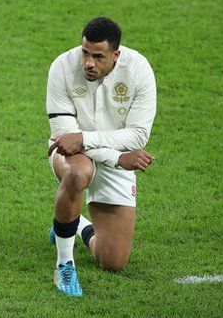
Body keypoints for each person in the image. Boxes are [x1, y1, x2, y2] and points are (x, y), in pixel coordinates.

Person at [45, 17, 156, 297]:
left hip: (106, 152)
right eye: (85, 52)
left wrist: (86, 140)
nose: (88, 63)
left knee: (113, 262)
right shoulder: (62, 67)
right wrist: (118, 159)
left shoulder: (139, 70)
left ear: (116, 55)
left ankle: (74, 223)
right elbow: (66, 140)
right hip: (78, 156)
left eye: (98, 56)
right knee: (77, 173)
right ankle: (64, 265)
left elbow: (138, 136)